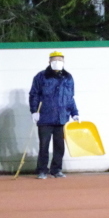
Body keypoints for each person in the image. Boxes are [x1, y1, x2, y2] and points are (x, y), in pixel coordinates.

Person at [29, 51, 79, 179]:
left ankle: (56, 169)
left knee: (59, 146)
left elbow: (70, 97)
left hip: (61, 117)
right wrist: (34, 111)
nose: (57, 63)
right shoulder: (41, 77)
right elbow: (34, 94)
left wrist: (74, 113)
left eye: (60, 60)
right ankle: (42, 170)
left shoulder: (68, 77)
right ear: (49, 61)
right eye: (54, 60)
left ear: (63, 61)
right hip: (45, 117)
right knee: (44, 145)